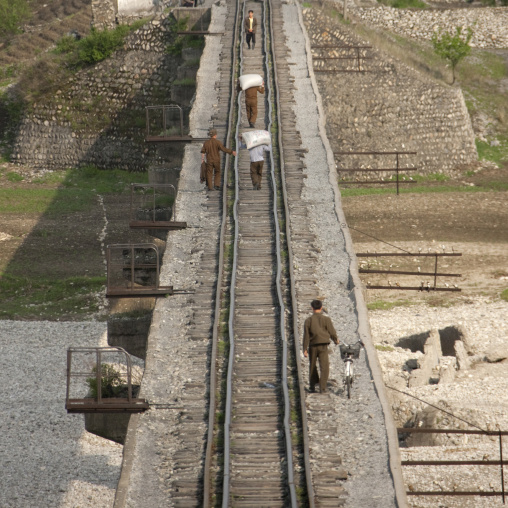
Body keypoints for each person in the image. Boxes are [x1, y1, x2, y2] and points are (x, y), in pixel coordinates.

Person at [303, 300, 339, 394]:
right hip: (323, 346)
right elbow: (332, 331)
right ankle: (322, 388)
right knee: (324, 367)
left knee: (312, 366)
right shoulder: (326, 319)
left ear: (312, 308)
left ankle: (312, 386)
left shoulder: (308, 320)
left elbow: (306, 336)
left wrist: (305, 349)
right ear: (321, 307)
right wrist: (335, 340)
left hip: (312, 346)